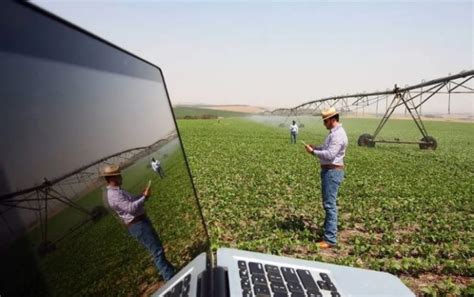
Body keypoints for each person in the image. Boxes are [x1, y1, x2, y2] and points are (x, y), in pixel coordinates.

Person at [102, 164, 175, 280]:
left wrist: (141, 195)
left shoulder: (118, 191)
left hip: (140, 222)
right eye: (118, 175)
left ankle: (171, 272)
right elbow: (131, 208)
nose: (121, 177)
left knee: (158, 248)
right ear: (112, 178)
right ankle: (170, 278)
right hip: (138, 225)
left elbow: (131, 202)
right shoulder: (113, 195)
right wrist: (144, 198)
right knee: (157, 251)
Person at [304, 108, 348, 249]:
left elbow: (329, 155)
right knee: (329, 204)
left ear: (332, 119)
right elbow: (326, 148)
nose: (324, 124)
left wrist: (313, 152)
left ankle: (330, 239)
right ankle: (329, 234)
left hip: (332, 172)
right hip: (329, 171)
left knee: (330, 205)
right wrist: (316, 148)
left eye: (325, 121)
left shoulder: (338, 135)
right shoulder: (333, 134)